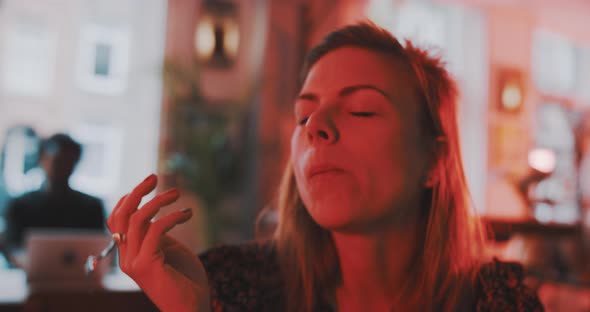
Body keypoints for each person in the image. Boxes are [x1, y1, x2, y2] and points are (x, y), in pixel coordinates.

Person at [107, 22, 544, 311]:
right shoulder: (227, 287)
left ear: (432, 160)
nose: (317, 127)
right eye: (304, 115)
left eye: (362, 110)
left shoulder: (498, 300)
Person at [4, 133, 105, 257]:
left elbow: (99, 250)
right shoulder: (19, 206)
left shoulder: (92, 207)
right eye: (57, 161)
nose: (61, 168)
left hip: (78, 275)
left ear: (75, 163)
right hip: (28, 275)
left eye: (67, 162)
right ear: (41, 160)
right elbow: (11, 248)